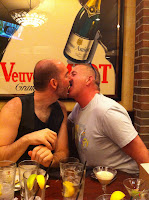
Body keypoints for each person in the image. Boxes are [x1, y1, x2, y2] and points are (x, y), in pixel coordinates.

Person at [67, 63, 149, 174]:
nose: (68, 78)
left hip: (120, 178)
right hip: (95, 177)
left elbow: (144, 158)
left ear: (88, 80)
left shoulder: (107, 111)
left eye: (73, 74)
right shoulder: (78, 108)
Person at [0, 59, 70, 168]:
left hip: (46, 180)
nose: (70, 79)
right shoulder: (15, 107)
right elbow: (1, 159)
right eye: (66, 75)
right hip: (17, 181)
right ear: (54, 83)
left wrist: (51, 160)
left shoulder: (61, 109)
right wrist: (27, 140)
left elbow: (63, 152)